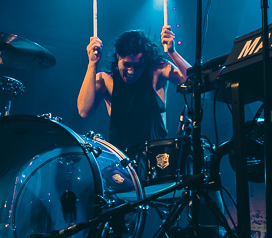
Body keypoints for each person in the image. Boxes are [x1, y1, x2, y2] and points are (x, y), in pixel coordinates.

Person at [77, 25, 190, 153]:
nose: (131, 71)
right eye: (126, 65)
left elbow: (193, 82)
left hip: (156, 159)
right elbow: (84, 111)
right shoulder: (106, 80)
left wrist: (172, 52)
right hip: (122, 164)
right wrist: (92, 64)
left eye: (137, 66)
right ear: (117, 58)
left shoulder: (157, 71)